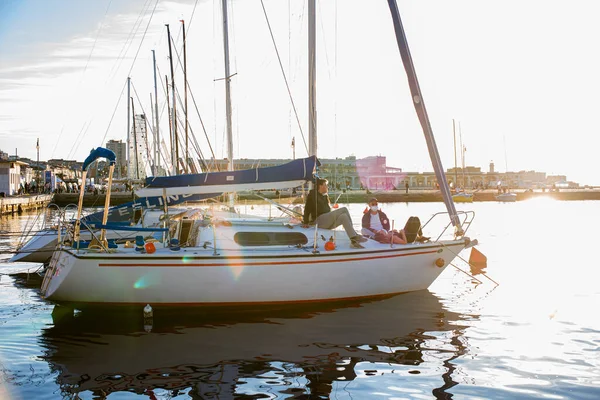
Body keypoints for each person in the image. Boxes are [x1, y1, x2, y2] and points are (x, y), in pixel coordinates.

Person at [303, 178, 367, 244]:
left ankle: (353, 237)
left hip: (326, 222)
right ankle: (355, 234)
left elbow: (328, 211)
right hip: (318, 221)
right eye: (326, 185)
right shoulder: (313, 195)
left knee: (344, 216)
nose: (327, 187)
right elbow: (307, 209)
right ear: (320, 186)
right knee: (344, 209)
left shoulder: (324, 196)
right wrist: (305, 222)